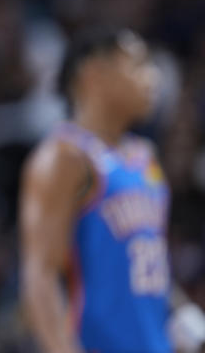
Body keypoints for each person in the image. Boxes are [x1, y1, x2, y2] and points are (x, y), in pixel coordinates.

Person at [20, 28, 205, 353]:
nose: (154, 76)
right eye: (137, 64)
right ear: (93, 72)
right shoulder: (64, 157)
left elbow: (149, 259)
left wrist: (183, 313)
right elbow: (40, 278)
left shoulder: (145, 155)